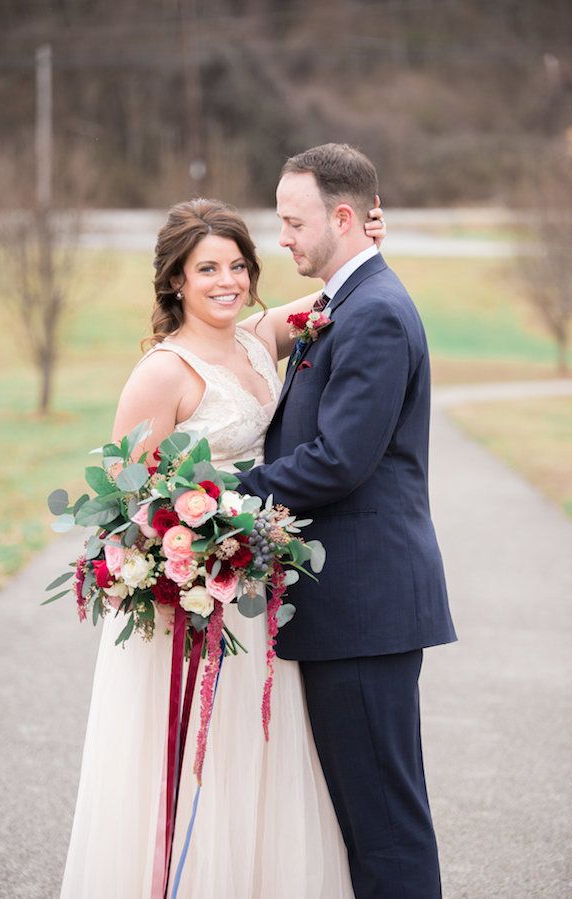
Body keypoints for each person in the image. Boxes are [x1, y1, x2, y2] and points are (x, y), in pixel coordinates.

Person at [59, 195, 386, 898]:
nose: (227, 281)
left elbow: (334, 296)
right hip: (191, 603)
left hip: (257, 590)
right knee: (190, 764)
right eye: (207, 268)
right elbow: (125, 501)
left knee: (256, 758)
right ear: (176, 279)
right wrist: (186, 559)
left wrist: (358, 236)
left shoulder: (256, 337)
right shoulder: (163, 372)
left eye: (238, 264)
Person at [237, 143, 457, 899]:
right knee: (366, 819)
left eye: (294, 223)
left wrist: (231, 493)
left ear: (341, 217)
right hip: (350, 609)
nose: (284, 239)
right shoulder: (347, 299)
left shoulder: (377, 313)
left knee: (385, 825)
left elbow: (338, 461)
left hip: (365, 606)